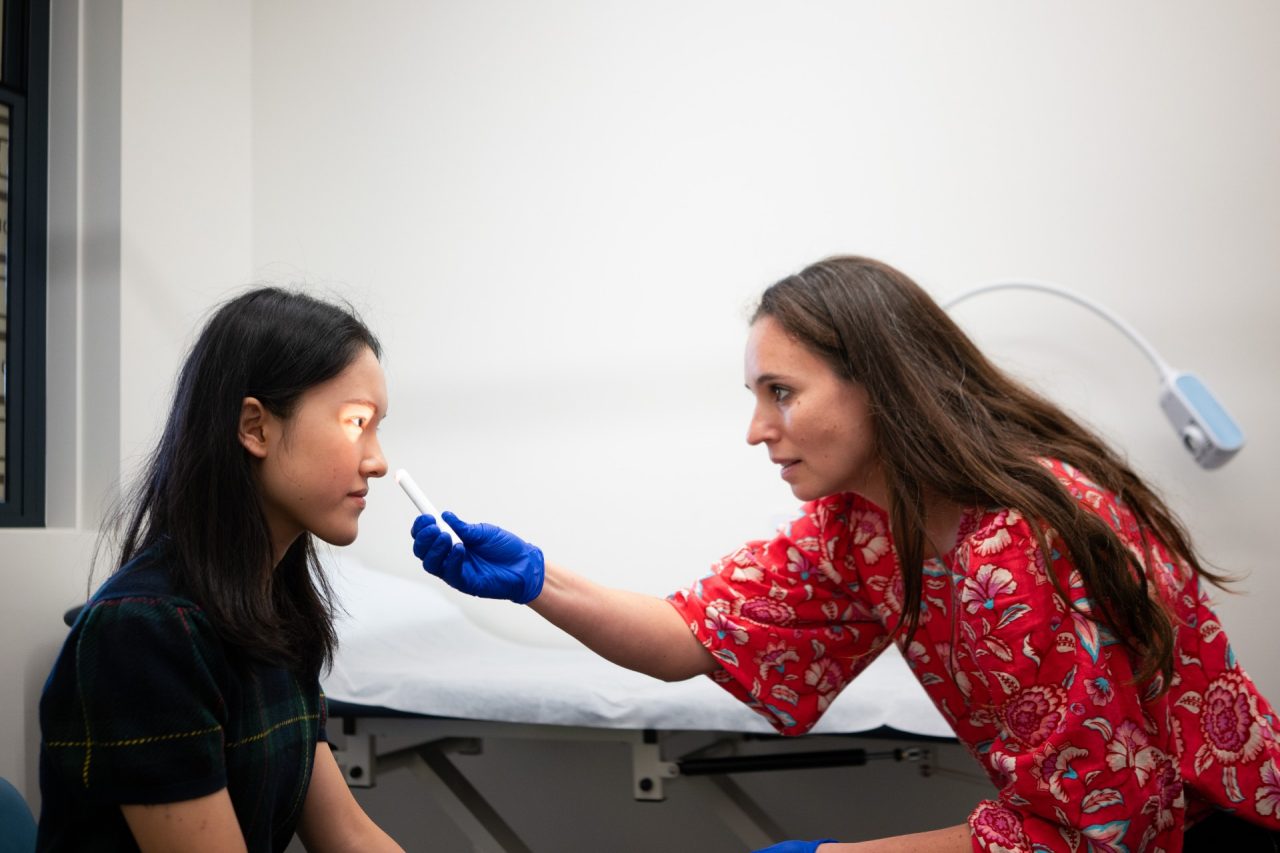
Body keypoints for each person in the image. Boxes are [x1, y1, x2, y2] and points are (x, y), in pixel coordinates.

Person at [409, 256, 1280, 852]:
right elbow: (691, 634)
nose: (757, 429)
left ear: (879, 383)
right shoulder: (864, 525)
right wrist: (536, 581)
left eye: (780, 392)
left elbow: (1097, 832)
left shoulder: (1015, 545)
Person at [38, 288, 403, 852]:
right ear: (256, 428)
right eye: (357, 422)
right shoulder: (145, 632)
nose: (377, 461)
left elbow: (349, 836)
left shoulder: (276, 613)